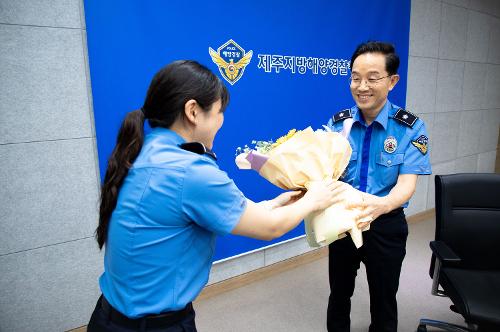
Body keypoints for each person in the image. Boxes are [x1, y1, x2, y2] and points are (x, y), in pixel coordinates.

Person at [87, 60, 346, 332]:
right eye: (219, 112)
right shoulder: (190, 169)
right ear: (193, 111)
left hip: (108, 318)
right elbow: (270, 228)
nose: (221, 121)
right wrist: (314, 199)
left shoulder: (143, 151)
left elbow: (201, 211)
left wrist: (274, 204)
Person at [325, 42, 432, 332]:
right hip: (343, 224)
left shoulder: (410, 128)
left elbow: (406, 185)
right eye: (355, 77)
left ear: (392, 81)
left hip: (385, 225)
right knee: (339, 295)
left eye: (372, 78)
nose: (362, 86)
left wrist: (380, 206)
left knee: (384, 300)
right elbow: (325, 175)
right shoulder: (338, 125)